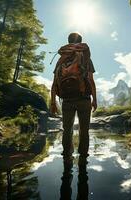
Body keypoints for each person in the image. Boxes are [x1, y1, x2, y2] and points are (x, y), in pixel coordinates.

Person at [50, 32, 97, 164]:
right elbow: (91, 80)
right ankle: (83, 159)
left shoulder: (61, 59)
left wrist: (53, 102)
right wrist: (95, 100)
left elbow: (54, 83)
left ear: (68, 42)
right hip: (84, 99)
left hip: (67, 100)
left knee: (67, 130)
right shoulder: (86, 57)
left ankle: (67, 157)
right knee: (84, 131)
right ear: (80, 42)